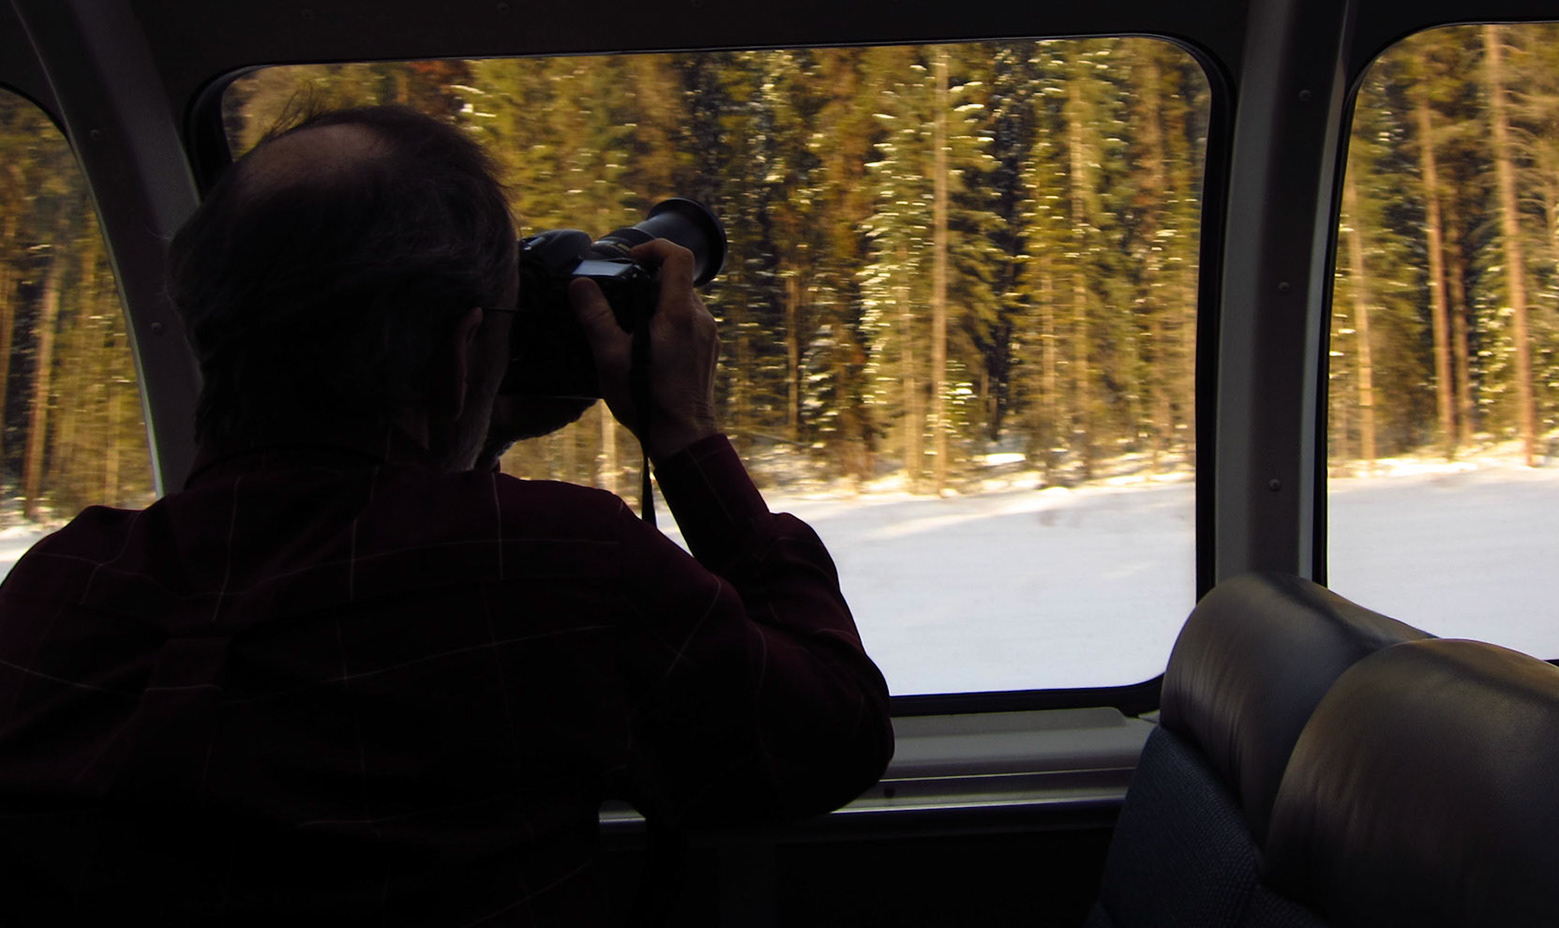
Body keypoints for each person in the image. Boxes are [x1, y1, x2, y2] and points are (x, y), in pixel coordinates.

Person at [0, 105, 893, 923]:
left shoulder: (53, 592)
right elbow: (830, 738)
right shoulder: (557, 568)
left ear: (203, 321)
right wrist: (687, 435)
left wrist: (471, 424)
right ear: (466, 346)